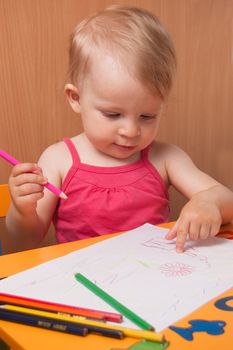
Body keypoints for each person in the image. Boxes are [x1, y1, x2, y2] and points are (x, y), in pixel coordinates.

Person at [6, 5, 233, 253]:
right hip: (81, 282)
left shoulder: (166, 158)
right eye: (113, 114)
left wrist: (209, 201)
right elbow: (24, 242)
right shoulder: (58, 159)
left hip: (151, 276)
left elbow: (226, 199)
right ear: (76, 98)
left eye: (147, 116)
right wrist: (23, 209)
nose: (131, 131)